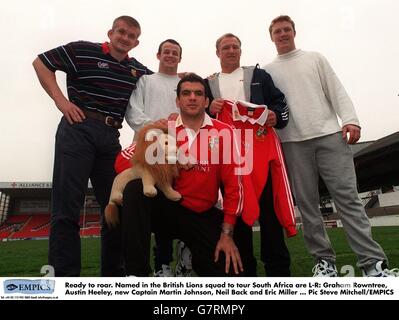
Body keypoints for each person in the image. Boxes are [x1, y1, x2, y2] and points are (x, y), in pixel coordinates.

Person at [266, 15, 398, 277]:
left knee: (348, 199)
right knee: (307, 204)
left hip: (329, 136)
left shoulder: (315, 58)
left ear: (294, 32)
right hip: (292, 143)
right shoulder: (268, 70)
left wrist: (350, 119)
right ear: (271, 36)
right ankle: (324, 263)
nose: (283, 34)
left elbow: (335, 89)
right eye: (277, 31)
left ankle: (373, 264)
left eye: (286, 29)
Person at [32, 16, 151, 276]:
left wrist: (190, 77)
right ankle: (63, 276)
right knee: (67, 206)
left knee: (116, 204)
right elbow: (41, 62)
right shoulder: (83, 50)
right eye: (121, 32)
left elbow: (162, 84)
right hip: (78, 127)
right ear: (111, 32)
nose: (125, 38)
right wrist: (61, 102)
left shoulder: (138, 70)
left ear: (136, 42)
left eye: (131, 36)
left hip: (110, 136)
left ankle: (113, 275)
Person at [122, 73, 244, 276]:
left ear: (207, 101)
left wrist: (226, 234)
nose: (193, 97)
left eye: (198, 93)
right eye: (186, 93)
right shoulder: (163, 129)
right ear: (177, 101)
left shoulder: (225, 132)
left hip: (202, 212)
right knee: (134, 190)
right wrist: (151, 136)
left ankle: (189, 257)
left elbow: (234, 186)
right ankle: (136, 276)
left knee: (228, 271)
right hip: (168, 209)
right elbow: (122, 160)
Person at [206, 33, 296, 277]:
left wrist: (275, 116)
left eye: (235, 46)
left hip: (259, 147)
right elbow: (195, 112)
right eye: (226, 47)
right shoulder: (209, 82)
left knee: (269, 214)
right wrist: (208, 108)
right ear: (218, 52)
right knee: (237, 212)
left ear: (241, 50)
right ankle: (244, 274)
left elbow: (279, 102)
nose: (231, 50)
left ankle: (278, 272)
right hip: (227, 154)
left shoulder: (258, 75)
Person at [123, 39, 193, 277]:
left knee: (180, 200)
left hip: (179, 151)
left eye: (175, 52)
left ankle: (185, 258)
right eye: (167, 52)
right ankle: (159, 264)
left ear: (180, 58)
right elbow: (133, 111)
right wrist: (154, 126)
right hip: (148, 150)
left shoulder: (185, 84)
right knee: (150, 203)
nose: (171, 56)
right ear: (158, 55)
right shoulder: (145, 80)